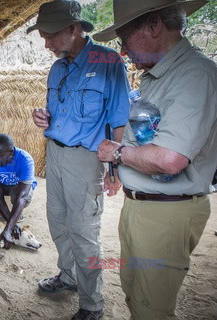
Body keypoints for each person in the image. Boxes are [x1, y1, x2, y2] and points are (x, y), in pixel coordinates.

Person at [93, 1, 217, 319]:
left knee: (152, 310)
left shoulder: (195, 74)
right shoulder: (158, 76)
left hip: (167, 213)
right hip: (144, 206)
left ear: (152, 26)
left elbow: (170, 158)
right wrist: (123, 166)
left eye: (124, 40)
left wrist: (117, 153)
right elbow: (148, 138)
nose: (122, 52)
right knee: (136, 294)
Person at [27, 1, 131, 319]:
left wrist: (115, 168)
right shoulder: (58, 67)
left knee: (84, 230)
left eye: (50, 36)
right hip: (55, 154)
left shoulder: (108, 61)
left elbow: (119, 119)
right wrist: (46, 118)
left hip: (86, 160)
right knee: (58, 222)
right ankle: (69, 277)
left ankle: (92, 303)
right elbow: (57, 112)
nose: (45, 43)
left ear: (73, 30)